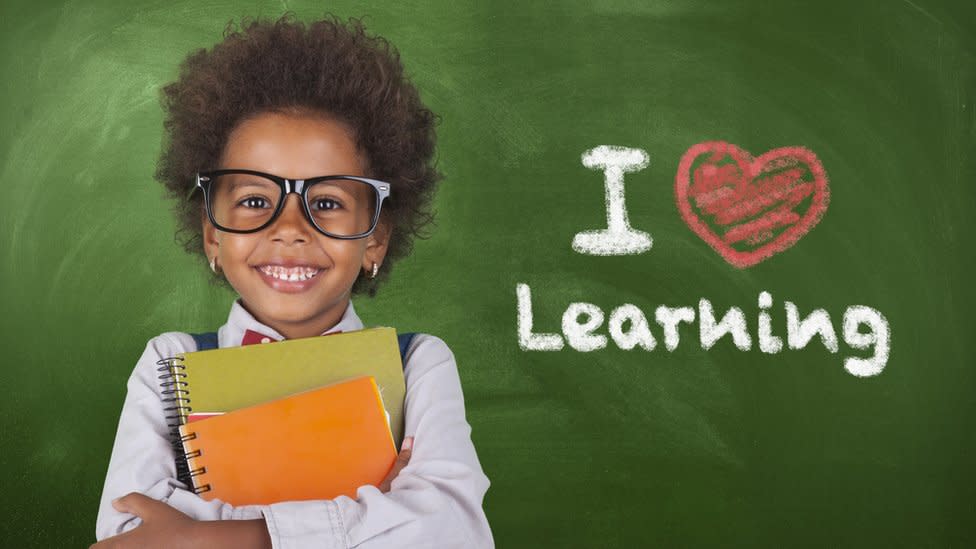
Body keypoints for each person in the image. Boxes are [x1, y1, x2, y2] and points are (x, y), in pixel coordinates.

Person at [93, 14, 493, 549]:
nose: (289, 229)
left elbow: (453, 533)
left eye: (326, 203)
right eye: (255, 200)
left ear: (374, 237)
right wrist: (379, 513)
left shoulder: (420, 363)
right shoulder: (168, 363)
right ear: (212, 235)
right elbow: (130, 536)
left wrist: (212, 534)